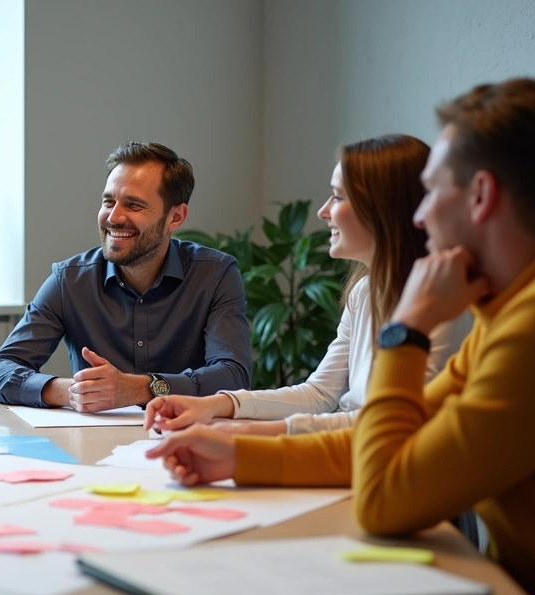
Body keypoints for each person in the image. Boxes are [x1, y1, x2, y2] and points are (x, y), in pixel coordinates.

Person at [146, 78, 535, 595]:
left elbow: (385, 498)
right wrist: (237, 456)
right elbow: (394, 434)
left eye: (434, 191)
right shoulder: (509, 305)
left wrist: (409, 329)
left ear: (482, 196)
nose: (420, 217)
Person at [146, 135, 472, 436]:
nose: (323, 211)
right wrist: (216, 405)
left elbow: (384, 423)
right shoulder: (364, 292)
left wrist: (245, 432)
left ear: (382, 209)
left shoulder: (441, 304)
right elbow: (319, 393)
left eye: (338, 197)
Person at [0, 142, 251, 412]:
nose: (114, 217)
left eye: (133, 206)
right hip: (96, 447)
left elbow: (233, 376)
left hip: (186, 441)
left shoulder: (215, 274)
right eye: (108, 201)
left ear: (175, 217)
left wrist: (138, 389)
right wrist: (71, 391)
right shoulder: (69, 280)